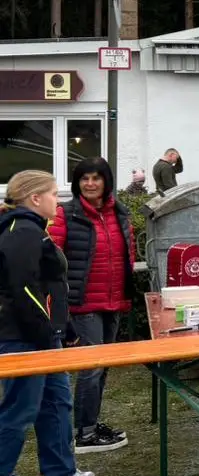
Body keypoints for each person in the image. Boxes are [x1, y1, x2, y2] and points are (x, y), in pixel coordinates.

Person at [0, 171, 95, 476]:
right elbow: (23, 290)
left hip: (46, 336)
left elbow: (50, 288)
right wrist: (44, 332)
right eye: (55, 193)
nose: (60, 200)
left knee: (56, 402)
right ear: (34, 198)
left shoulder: (34, 230)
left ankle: (60, 472)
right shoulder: (20, 232)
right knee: (20, 407)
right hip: (23, 339)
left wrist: (64, 328)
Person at [48, 158, 135, 454]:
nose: (90, 184)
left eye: (96, 178)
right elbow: (52, 258)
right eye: (84, 178)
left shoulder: (119, 213)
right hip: (83, 303)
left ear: (106, 181)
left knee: (103, 366)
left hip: (114, 300)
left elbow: (128, 254)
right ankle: (82, 432)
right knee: (91, 367)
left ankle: (91, 423)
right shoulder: (66, 213)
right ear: (77, 182)